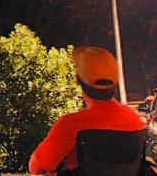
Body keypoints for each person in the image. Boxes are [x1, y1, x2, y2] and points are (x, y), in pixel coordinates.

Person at [28, 46, 144, 175]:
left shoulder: (71, 124)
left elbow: (36, 167)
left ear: (79, 81)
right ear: (115, 84)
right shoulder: (134, 120)